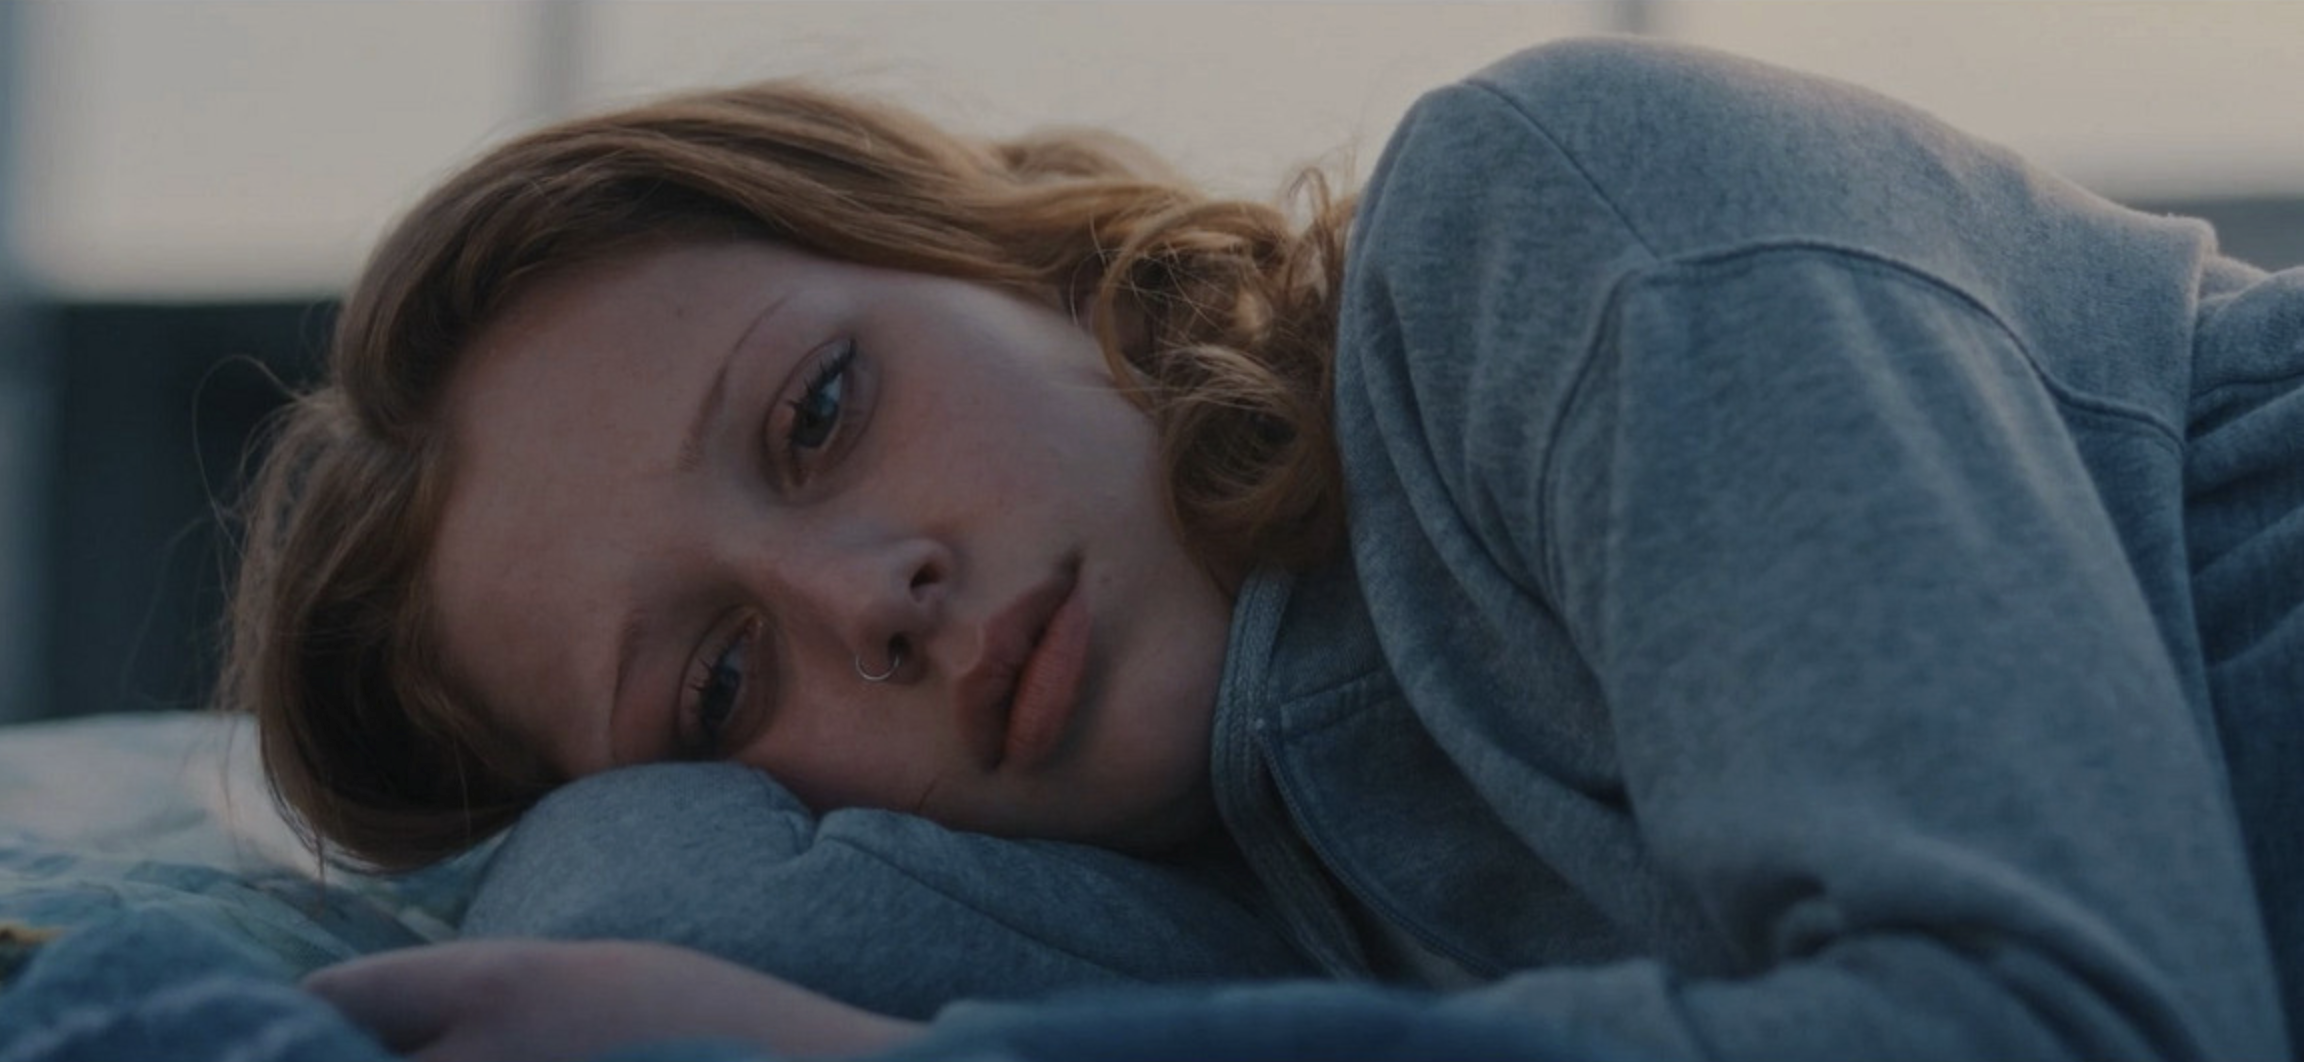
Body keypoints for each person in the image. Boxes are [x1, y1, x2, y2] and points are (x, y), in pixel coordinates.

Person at [223, 34, 2302, 1062]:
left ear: (1008, 260)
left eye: (822, 408)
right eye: (718, 682)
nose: (871, 598)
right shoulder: (1233, 912)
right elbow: (629, 915)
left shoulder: (1549, 220)